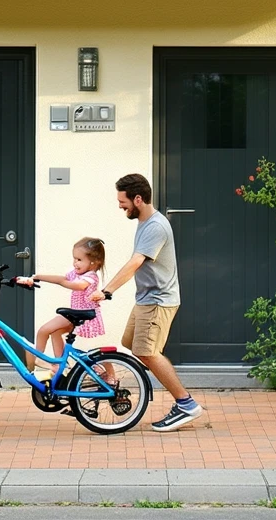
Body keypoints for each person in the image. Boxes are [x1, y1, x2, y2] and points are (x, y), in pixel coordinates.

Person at [90, 173, 203, 432]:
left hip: (158, 300)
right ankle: (149, 381)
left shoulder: (155, 226)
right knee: (131, 343)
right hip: (146, 298)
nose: (120, 206)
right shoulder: (145, 221)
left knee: (146, 351)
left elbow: (135, 262)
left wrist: (107, 291)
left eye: (123, 201)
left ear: (138, 199)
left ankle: (186, 403)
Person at [20, 237, 106, 376]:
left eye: (79, 260)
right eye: (74, 259)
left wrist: (61, 282)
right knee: (55, 331)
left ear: (93, 262)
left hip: (82, 314)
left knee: (44, 330)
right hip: (77, 313)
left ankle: (39, 359)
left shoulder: (91, 276)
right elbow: (62, 278)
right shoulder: (77, 273)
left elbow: (78, 286)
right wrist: (37, 277)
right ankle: (60, 365)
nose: (75, 263)